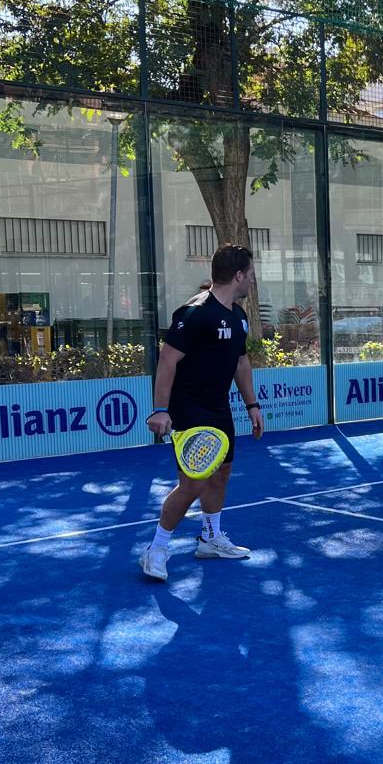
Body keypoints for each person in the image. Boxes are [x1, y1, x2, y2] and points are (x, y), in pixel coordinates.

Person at [140, 244, 264, 582]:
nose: (252, 281)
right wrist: (160, 410)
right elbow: (167, 360)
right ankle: (156, 549)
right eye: (250, 274)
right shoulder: (195, 313)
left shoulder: (239, 316)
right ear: (238, 275)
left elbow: (240, 362)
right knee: (193, 482)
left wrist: (252, 405)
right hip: (188, 408)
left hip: (219, 407)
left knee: (221, 473)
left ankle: (211, 538)